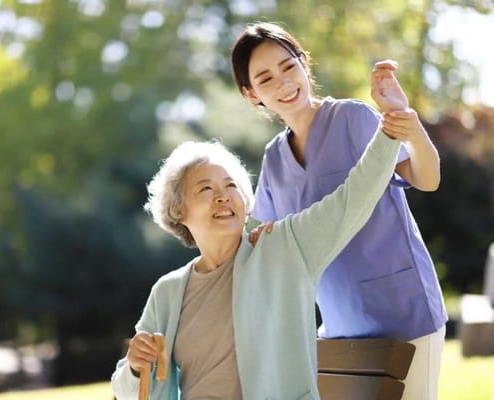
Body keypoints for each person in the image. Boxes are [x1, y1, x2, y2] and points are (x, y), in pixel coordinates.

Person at [111, 63, 405, 399]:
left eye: (231, 185)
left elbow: (353, 199)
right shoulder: (168, 292)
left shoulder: (285, 248)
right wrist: (134, 365)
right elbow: (128, 389)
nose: (223, 196)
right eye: (206, 189)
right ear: (179, 211)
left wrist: (392, 125)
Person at [231, 21, 447, 400]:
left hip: (403, 311)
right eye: (265, 79)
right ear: (251, 94)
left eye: (288, 66)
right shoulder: (274, 160)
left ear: (304, 63)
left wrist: (411, 128)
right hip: (339, 329)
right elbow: (275, 250)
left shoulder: (353, 118)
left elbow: (426, 180)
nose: (283, 83)